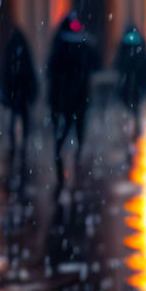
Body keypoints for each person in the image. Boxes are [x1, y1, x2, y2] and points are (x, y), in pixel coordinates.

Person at [47, 13, 100, 188]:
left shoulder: (59, 44)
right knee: (77, 133)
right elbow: (94, 65)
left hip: (63, 98)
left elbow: (51, 70)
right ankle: (74, 168)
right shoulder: (82, 46)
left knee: (61, 135)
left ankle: (61, 170)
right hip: (77, 98)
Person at [0, 27, 38, 183]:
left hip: (15, 93)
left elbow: (4, 72)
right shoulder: (23, 51)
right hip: (21, 93)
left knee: (14, 120)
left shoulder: (10, 51)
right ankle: (22, 144)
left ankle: (15, 145)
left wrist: (4, 92)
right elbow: (29, 73)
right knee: (23, 119)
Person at [113, 24, 146, 143]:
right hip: (134, 83)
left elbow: (118, 63)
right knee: (134, 107)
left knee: (131, 106)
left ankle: (130, 128)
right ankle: (133, 127)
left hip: (130, 83)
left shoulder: (125, 46)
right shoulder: (139, 45)